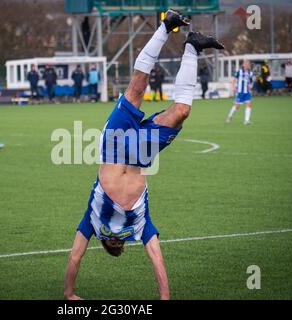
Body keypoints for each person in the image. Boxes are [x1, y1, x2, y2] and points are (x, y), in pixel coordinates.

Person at [63, 9, 224, 300]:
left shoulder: (92, 222)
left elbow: (75, 259)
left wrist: (69, 293)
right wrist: (165, 296)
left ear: (106, 242)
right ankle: (192, 46)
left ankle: (166, 26)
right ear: (123, 245)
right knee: (181, 112)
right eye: (117, 243)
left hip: (113, 145)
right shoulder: (139, 225)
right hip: (141, 153)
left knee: (137, 86)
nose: (114, 241)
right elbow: (156, 258)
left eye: (111, 243)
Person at [226, 60, 254, 125]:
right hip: (240, 92)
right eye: (246, 64)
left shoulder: (250, 73)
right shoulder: (239, 71)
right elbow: (234, 80)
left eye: (248, 64)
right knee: (237, 106)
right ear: (243, 64)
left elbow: (251, 82)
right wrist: (233, 87)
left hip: (247, 92)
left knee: (249, 104)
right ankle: (229, 116)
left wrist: (251, 85)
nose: (247, 65)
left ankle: (246, 121)